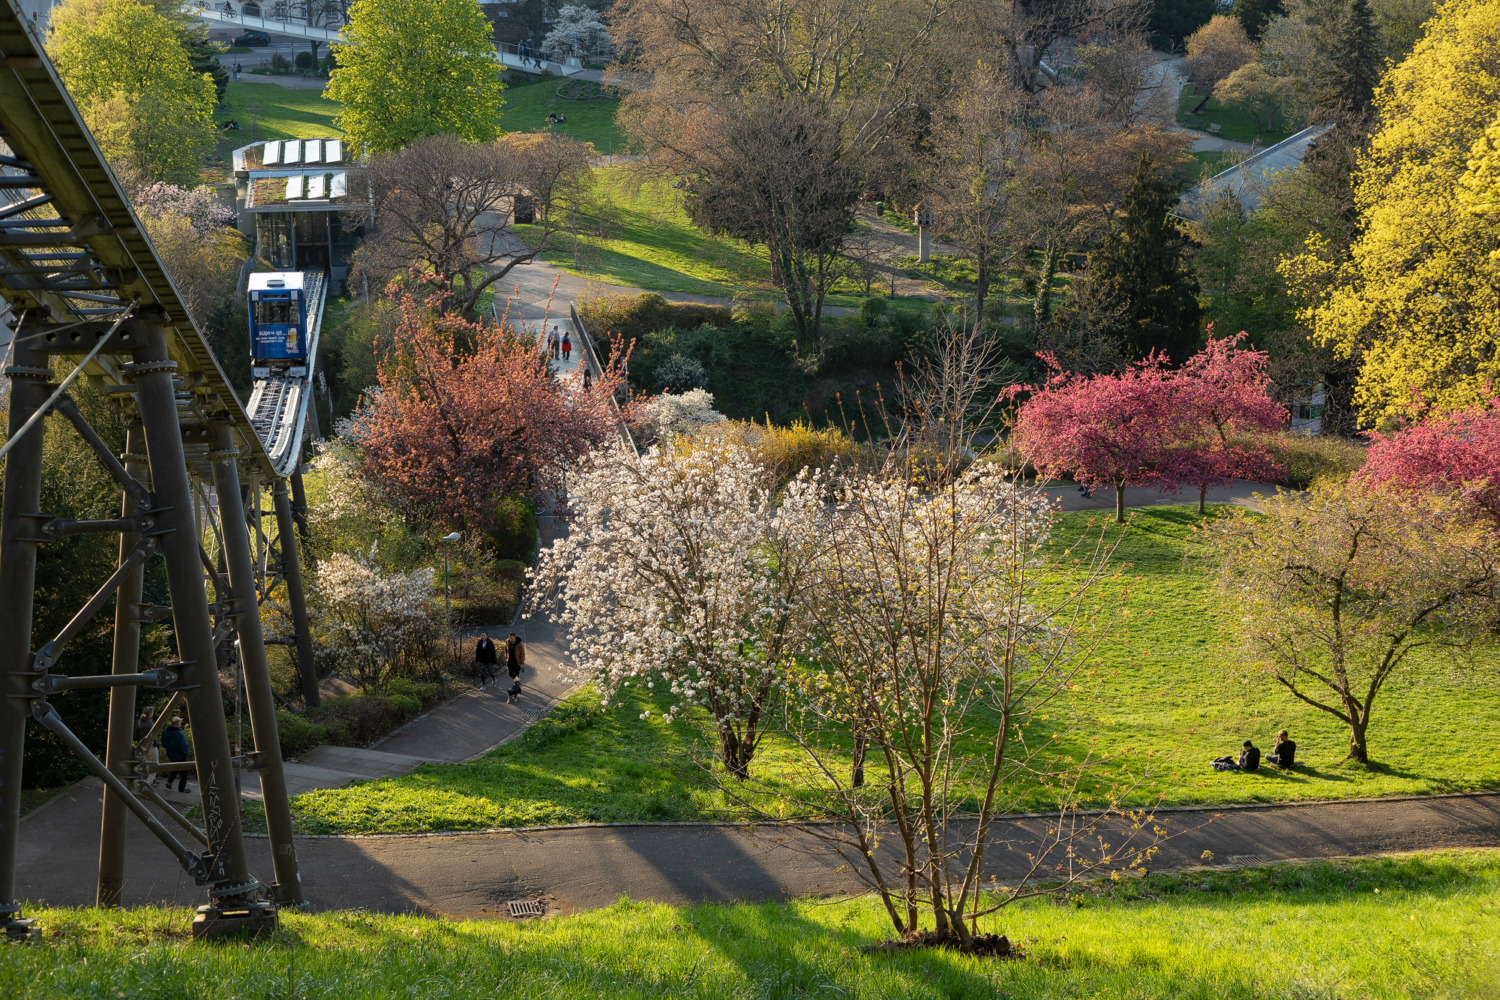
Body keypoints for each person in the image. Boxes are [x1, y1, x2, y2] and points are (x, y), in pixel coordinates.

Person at [161, 716, 192, 793]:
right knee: (184, 772)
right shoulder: (179, 734)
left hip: (171, 754)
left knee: (175, 767)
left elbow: (163, 743)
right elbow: (183, 746)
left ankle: (169, 781)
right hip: (180, 755)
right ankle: (181, 789)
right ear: (178, 724)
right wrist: (186, 753)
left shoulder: (165, 732)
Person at [136, 704, 160, 786]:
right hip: (151, 745)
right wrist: (157, 744)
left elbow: (136, 734)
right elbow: (153, 736)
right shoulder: (151, 724)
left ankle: (151, 779)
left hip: (142, 745)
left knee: (146, 762)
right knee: (154, 763)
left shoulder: (139, 722)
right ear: (150, 714)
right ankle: (149, 782)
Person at [506, 632, 527, 702]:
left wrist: (521, 663)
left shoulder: (519, 643)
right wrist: (506, 657)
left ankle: (516, 687)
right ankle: (517, 682)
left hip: (516, 662)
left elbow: (522, 653)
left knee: (516, 674)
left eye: (512, 637)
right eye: (509, 637)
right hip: (510, 661)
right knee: (510, 674)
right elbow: (505, 649)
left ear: (515, 637)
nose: (510, 638)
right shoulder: (507, 642)